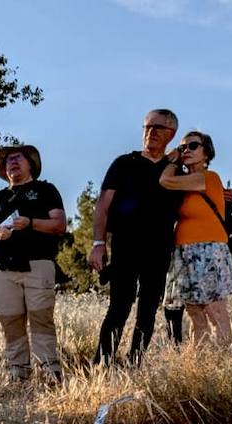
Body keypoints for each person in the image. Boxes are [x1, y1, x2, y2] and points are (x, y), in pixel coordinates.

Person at [90, 109, 182, 365]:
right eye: (147, 127)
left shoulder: (176, 170)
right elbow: (103, 205)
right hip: (125, 244)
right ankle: (102, 364)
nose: (150, 132)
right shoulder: (124, 163)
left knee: (148, 309)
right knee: (119, 306)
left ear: (171, 134)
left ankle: (135, 362)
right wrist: (98, 243)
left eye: (158, 128)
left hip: (160, 247)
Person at [0, 144, 67, 382]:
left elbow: (59, 225)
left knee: (41, 318)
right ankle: (18, 375)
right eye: (8, 161)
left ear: (31, 164)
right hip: (3, 268)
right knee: (10, 321)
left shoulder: (45, 190)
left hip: (38, 264)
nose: (12, 163)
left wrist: (29, 223)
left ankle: (49, 373)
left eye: (18, 158)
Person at [158, 131, 232, 342]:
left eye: (193, 146)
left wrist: (172, 160)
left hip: (208, 249)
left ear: (206, 153)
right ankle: (199, 361)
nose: (186, 151)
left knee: (215, 311)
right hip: (183, 251)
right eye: (183, 148)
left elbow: (164, 180)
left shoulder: (208, 178)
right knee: (195, 315)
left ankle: (224, 357)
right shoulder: (183, 183)